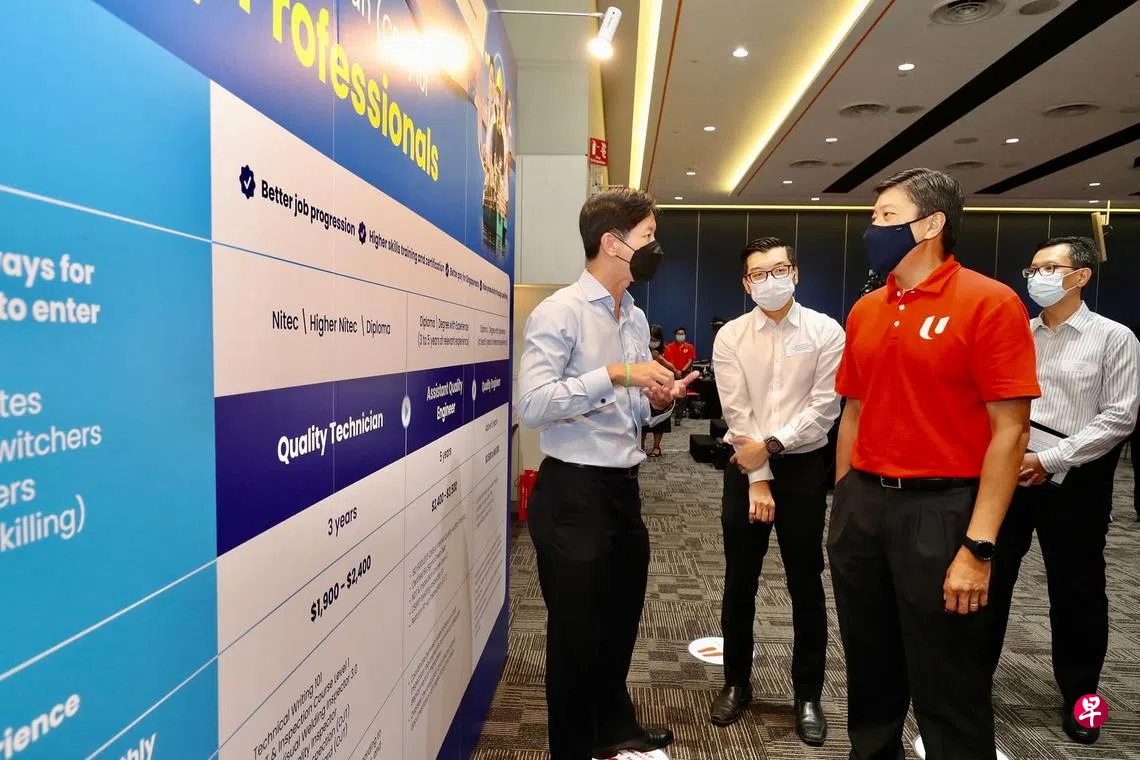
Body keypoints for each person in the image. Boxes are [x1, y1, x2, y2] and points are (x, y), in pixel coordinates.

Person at [828, 168, 1040, 760]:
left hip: (944, 511)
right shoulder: (867, 309)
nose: (872, 229)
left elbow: (1012, 431)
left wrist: (979, 546)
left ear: (931, 224)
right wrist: (844, 502)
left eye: (886, 217)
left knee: (948, 680)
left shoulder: (989, 302)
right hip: (864, 506)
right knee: (870, 670)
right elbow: (853, 412)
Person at [517, 187, 698, 760]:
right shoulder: (560, 312)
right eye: (647, 237)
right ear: (611, 243)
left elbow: (634, 410)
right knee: (575, 637)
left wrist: (659, 398)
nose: (655, 248)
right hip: (573, 493)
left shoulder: (634, 316)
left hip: (623, 490)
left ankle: (612, 729)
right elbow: (533, 404)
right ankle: (572, 748)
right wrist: (615, 374)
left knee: (619, 623)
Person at [987, 236, 1140, 745]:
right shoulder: (1018, 333)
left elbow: (1119, 416)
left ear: (1081, 276)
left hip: (1076, 479)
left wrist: (1048, 460)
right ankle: (972, 683)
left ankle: (1082, 698)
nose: (1037, 278)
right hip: (1010, 471)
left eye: (1050, 268)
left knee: (1077, 592)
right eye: (1033, 269)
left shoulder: (1114, 337)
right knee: (990, 579)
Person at [709, 237, 844, 745]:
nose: (771, 280)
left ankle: (807, 694)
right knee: (739, 581)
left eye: (780, 269)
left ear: (796, 273)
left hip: (804, 468)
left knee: (805, 582)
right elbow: (736, 409)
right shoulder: (731, 336)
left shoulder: (826, 331)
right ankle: (736, 682)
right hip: (745, 468)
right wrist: (758, 476)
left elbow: (824, 408)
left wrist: (770, 448)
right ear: (746, 284)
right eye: (759, 274)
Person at [641, 324, 677, 457]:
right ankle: (641, 445)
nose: (652, 342)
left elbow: (673, 369)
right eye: (650, 339)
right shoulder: (642, 349)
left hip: (662, 388)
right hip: (645, 388)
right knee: (643, 419)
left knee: (660, 420)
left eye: (655, 339)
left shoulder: (666, 350)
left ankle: (656, 447)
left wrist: (660, 359)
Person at [664, 326, 696, 418]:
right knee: (670, 392)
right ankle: (668, 412)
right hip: (672, 373)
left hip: (684, 373)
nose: (680, 335)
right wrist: (675, 371)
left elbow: (690, 360)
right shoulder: (669, 347)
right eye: (679, 334)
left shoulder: (689, 347)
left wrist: (682, 371)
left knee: (682, 393)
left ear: (685, 335)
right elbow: (668, 361)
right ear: (675, 335)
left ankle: (679, 415)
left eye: (682, 334)